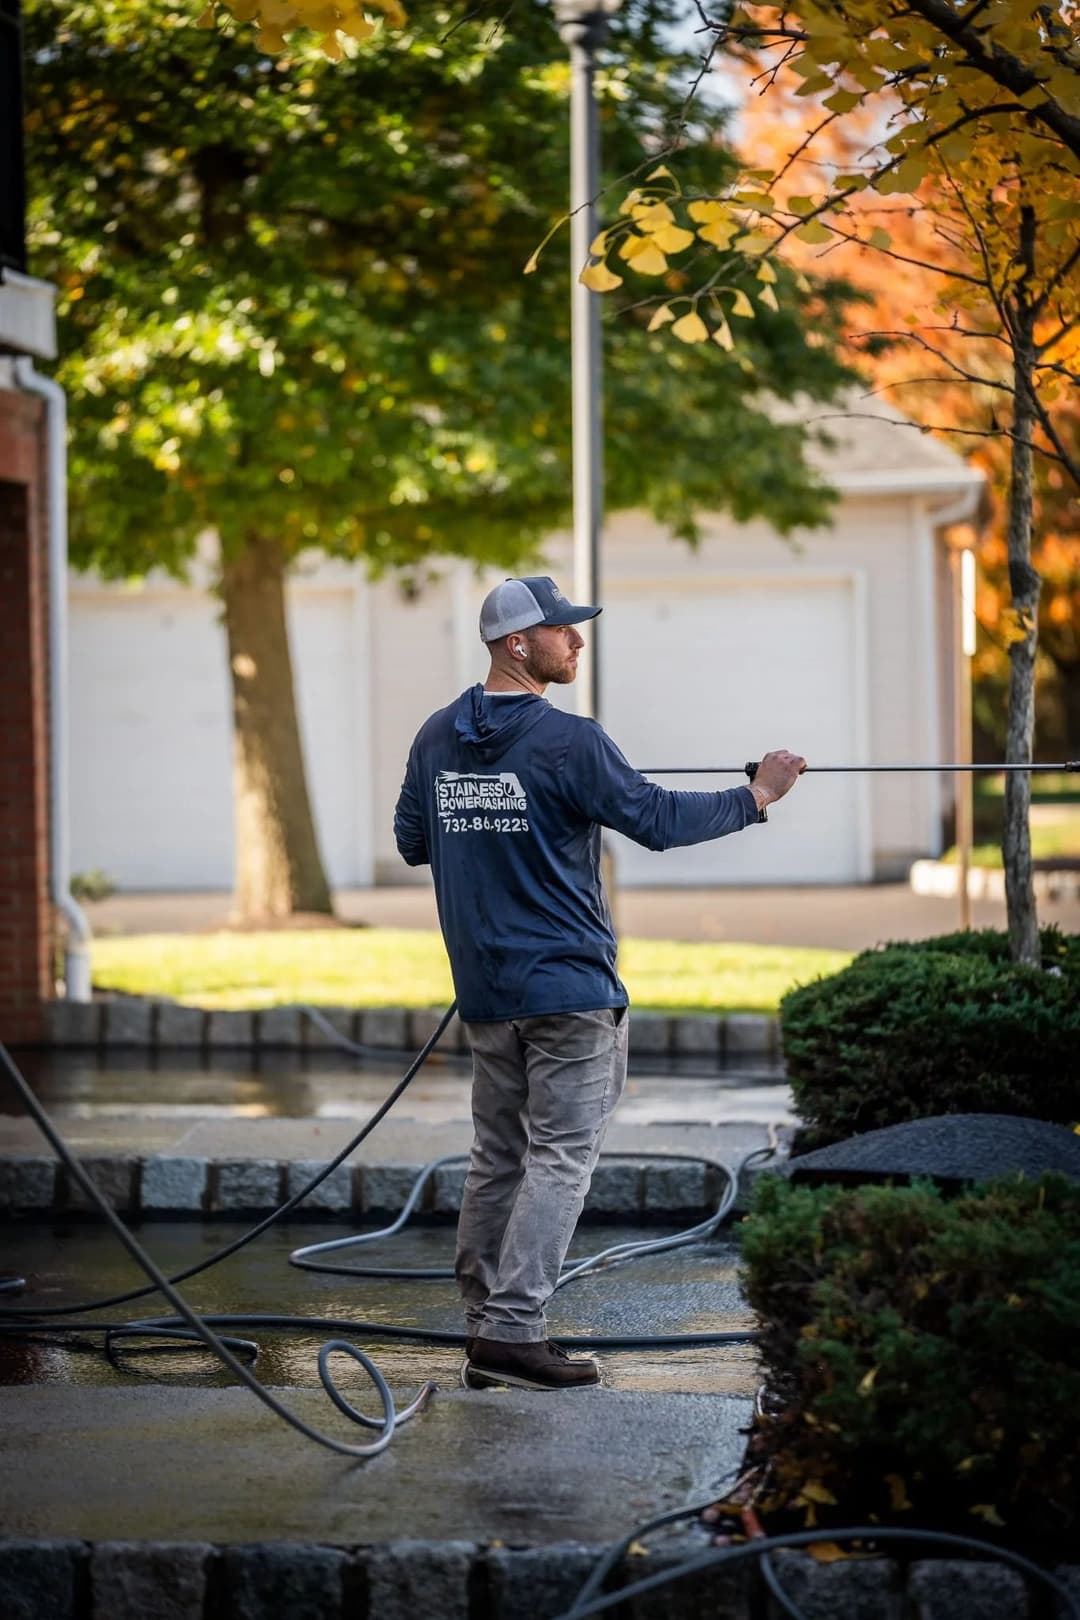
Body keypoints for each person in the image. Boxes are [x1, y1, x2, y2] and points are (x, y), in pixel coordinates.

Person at [394, 575, 806, 1391]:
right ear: (519, 644)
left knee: (499, 1155)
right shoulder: (569, 742)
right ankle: (512, 1330)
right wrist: (758, 795)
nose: (577, 641)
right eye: (563, 631)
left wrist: (493, 831)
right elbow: (655, 820)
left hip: (487, 990)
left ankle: (486, 1326)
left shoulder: (436, 737)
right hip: (570, 992)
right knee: (559, 1157)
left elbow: (415, 839)